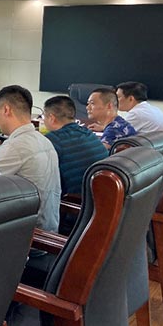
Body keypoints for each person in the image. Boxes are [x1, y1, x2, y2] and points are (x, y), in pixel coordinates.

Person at [0, 85, 60, 234]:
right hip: (49, 226)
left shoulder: (16, 146)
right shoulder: (44, 141)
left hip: (31, 235)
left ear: (6, 110)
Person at [43, 96, 108, 235]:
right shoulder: (89, 133)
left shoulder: (53, 140)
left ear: (51, 118)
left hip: (75, 214)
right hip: (100, 206)